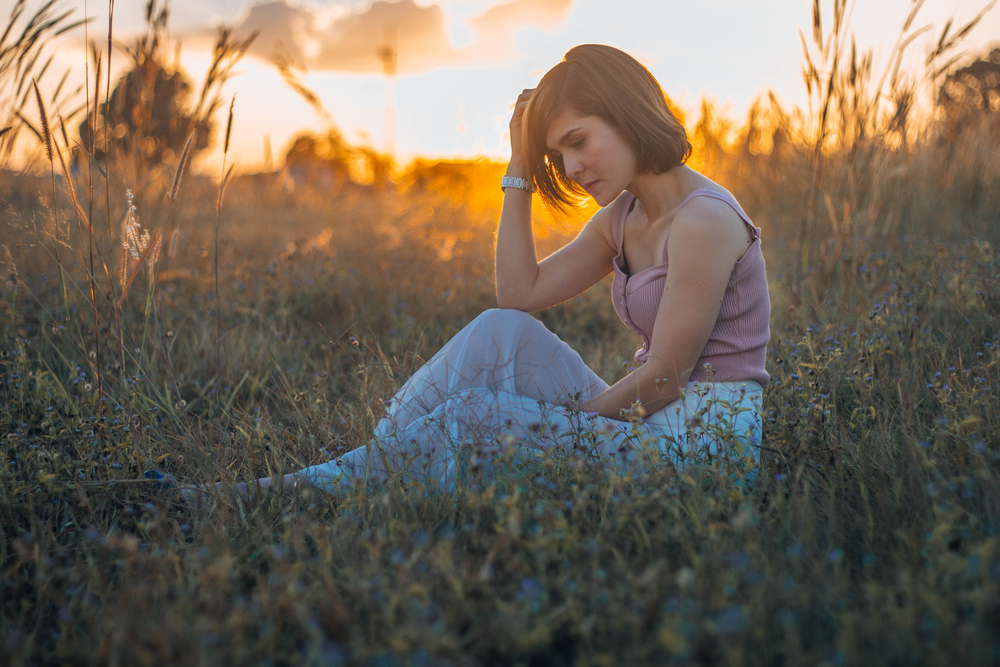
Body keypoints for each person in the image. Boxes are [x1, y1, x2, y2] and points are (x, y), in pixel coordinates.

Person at [162, 44, 770, 500]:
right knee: (495, 331)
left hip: (700, 454)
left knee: (478, 414)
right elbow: (519, 293)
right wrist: (518, 165)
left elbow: (665, 379)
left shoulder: (704, 221)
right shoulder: (625, 216)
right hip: (650, 427)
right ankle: (370, 466)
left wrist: (557, 429)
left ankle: (289, 491)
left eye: (580, 141)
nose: (574, 166)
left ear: (627, 112)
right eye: (559, 153)